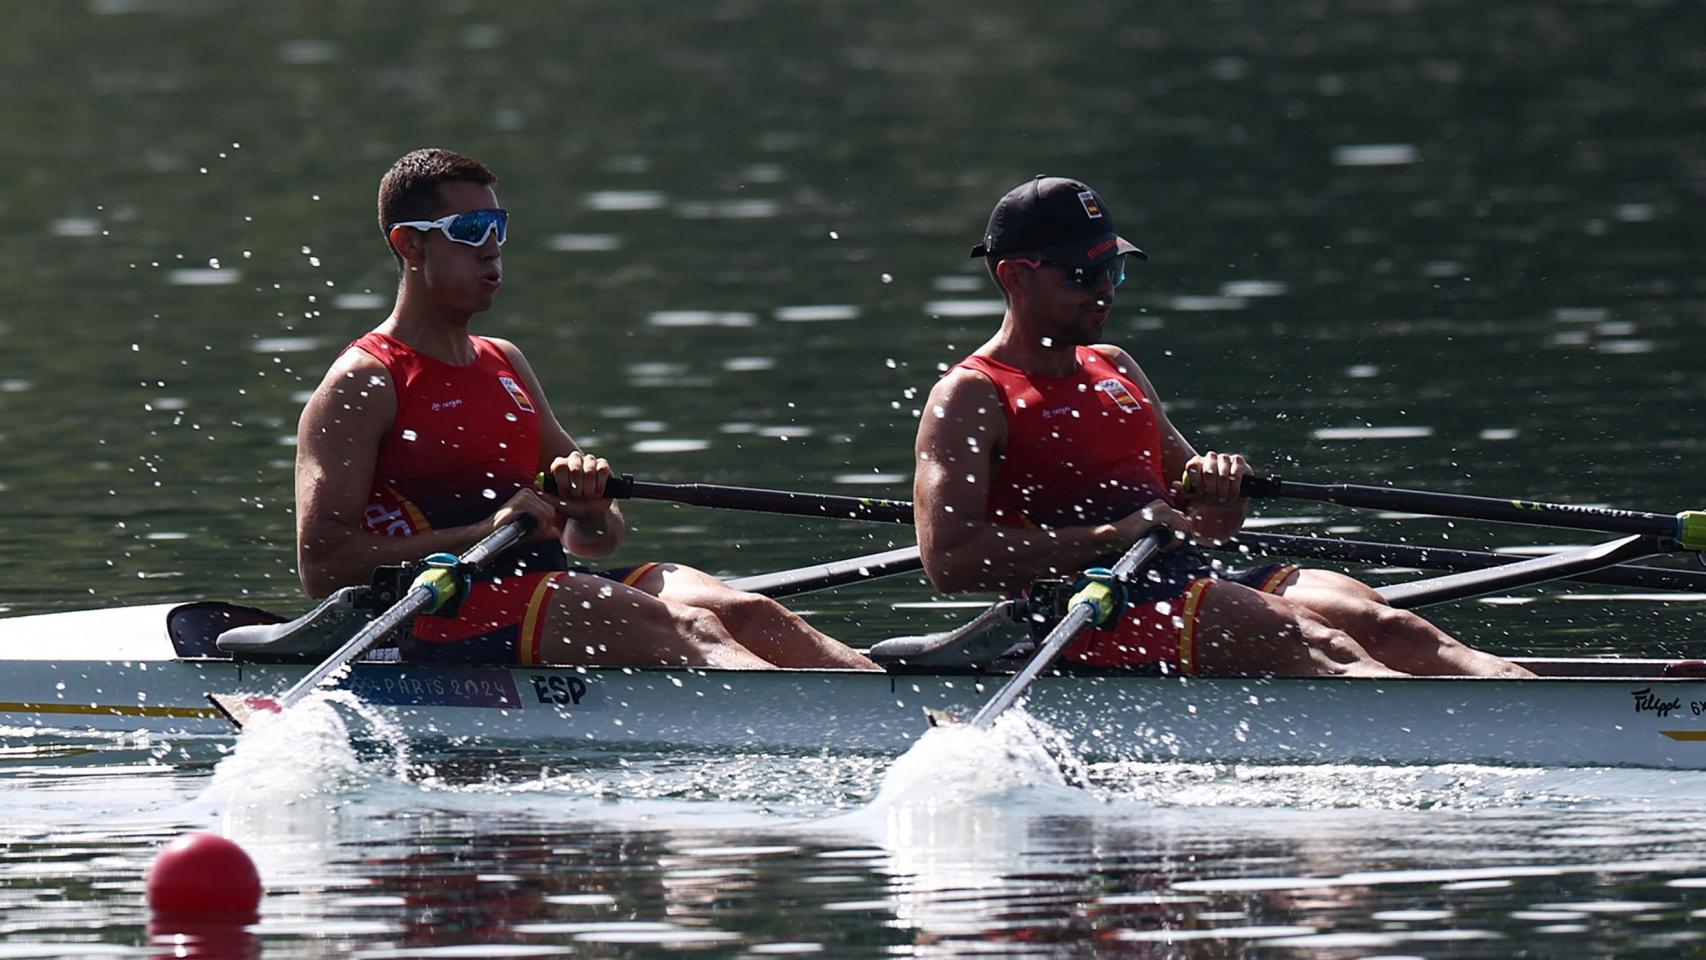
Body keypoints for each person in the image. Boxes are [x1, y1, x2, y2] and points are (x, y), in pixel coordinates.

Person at [912, 174, 1533, 678]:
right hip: (1082, 613)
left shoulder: (1115, 367)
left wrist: (1219, 489)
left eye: (1114, 271)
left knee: (1383, 622)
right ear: (1014, 276)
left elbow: (1203, 521)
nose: (1105, 292)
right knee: (1323, 645)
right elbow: (949, 562)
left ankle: (1566, 708)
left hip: (1183, 581)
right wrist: (1114, 534)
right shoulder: (972, 395)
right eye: (1082, 276)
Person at [294, 147, 877, 670]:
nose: (492, 248)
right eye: (470, 229)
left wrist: (590, 507)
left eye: (498, 226)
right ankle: (826, 730)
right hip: (444, 616)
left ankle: (912, 718)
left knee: (747, 612)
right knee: (691, 626)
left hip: (548, 588)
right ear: (409, 243)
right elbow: (322, 565)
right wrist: (480, 531)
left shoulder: (505, 362)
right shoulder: (366, 381)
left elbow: (599, 539)